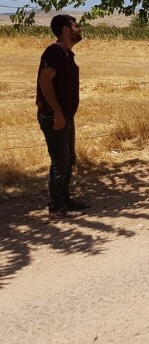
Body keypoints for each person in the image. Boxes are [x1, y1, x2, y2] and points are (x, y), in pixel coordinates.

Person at [36, 14, 89, 217]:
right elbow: (45, 81)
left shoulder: (66, 53)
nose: (79, 28)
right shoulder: (55, 51)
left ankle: (64, 199)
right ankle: (56, 206)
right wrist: (57, 112)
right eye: (76, 25)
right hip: (54, 116)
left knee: (69, 159)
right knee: (60, 162)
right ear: (66, 30)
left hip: (65, 116)